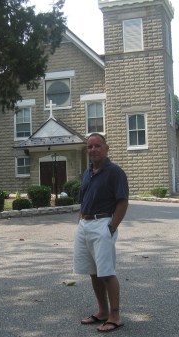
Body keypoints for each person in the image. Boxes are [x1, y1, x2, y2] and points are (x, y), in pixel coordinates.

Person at [73, 133, 129, 333]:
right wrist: (80, 218)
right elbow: (83, 199)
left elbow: (123, 202)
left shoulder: (115, 172)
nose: (93, 150)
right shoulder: (88, 172)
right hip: (85, 225)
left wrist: (111, 227)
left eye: (97, 146)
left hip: (103, 223)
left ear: (106, 148)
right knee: (94, 272)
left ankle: (115, 316)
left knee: (107, 272)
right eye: (89, 147)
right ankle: (103, 311)